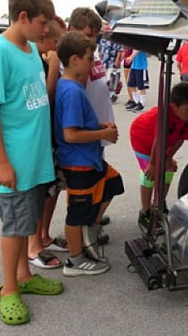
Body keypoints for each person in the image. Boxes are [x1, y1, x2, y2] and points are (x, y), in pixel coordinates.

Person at [0, 0, 62, 326]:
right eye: (42, 23)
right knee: (15, 227)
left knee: (27, 222)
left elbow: (36, 97)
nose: (46, 31)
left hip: (34, 159)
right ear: (23, 16)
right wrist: (1, 161)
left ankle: (25, 276)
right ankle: (9, 289)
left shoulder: (30, 50)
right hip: (13, 162)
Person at [54, 31, 124, 276]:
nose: (93, 62)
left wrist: (99, 126)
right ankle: (75, 260)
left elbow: (79, 125)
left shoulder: (71, 86)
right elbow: (71, 134)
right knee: (76, 213)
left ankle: (91, 227)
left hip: (88, 160)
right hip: (78, 162)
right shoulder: (71, 91)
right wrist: (102, 135)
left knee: (113, 182)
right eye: (89, 57)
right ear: (74, 60)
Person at [26, 16, 68, 270]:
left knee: (52, 189)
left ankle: (44, 235)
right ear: (43, 39)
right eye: (56, 41)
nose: (58, 47)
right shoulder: (37, 60)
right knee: (39, 192)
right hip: (37, 138)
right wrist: (53, 66)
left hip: (50, 136)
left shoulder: (46, 57)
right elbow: (47, 97)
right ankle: (33, 246)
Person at [67, 8, 113, 239]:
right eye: (88, 35)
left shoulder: (91, 54)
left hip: (98, 133)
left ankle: (92, 218)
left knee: (100, 181)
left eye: (95, 36)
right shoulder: (77, 60)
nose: (92, 40)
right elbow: (78, 94)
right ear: (73, 31)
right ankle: (85, 228)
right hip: (87, 134)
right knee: (86, 187)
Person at [129, 82, 188, 233]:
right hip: (142, 138)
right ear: (173, 106)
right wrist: (153, 164)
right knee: (150, 175)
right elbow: (158, 141)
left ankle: (159, 204)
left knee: (168, 170)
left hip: (163, 142)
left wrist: (168, 158)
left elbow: (180, 139)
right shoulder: (163, 115)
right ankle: (145, 211)